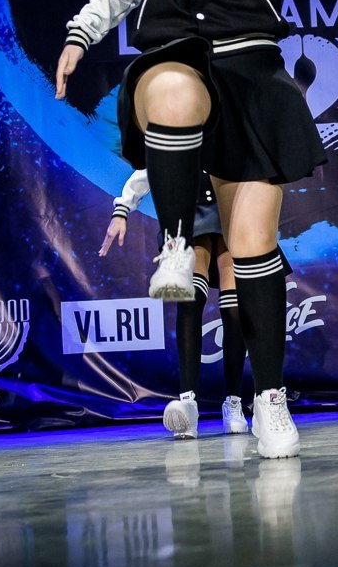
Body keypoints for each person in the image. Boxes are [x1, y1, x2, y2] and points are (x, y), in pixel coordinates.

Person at [56, 0, 327, 458]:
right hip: (177, 57)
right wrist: (80, 34)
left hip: (253, 76)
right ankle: (176, 242)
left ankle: (270, 399)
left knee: (252, 246)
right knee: (173, 92)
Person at [100, 169, 250, 438]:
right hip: (191, 212)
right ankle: (188, 402)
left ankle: (234, 402)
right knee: (190, 299)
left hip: (233, 206)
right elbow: (151, 166)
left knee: (234, 309)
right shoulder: (176, 140)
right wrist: (121, 210)